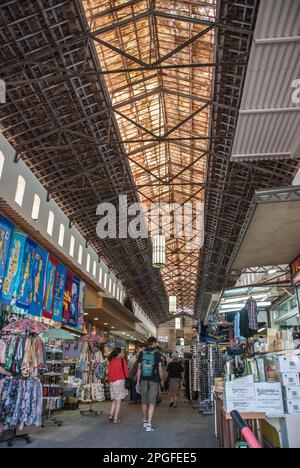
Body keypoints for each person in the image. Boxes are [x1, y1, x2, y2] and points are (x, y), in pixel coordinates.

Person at [136, 337, 164, 432]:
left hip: (143, 379)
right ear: (154, 343)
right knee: (152, 402)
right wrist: (162, 379)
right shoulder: (157, 353)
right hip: (154, 380)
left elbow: (139, 368)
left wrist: (137, 381)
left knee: (144, 401)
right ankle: (149, 424)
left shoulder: (142, 352)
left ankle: (144, 419)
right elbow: (160, 368)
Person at [107, 347, 129, 424]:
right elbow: (126, 372)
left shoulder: (111, 361)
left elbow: (109, 373)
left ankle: (110, 415)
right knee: (118, 401)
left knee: (114, 400)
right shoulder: (123, 361)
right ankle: (115, 418)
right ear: (119, 353)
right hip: (119, 381)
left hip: (112, 382)